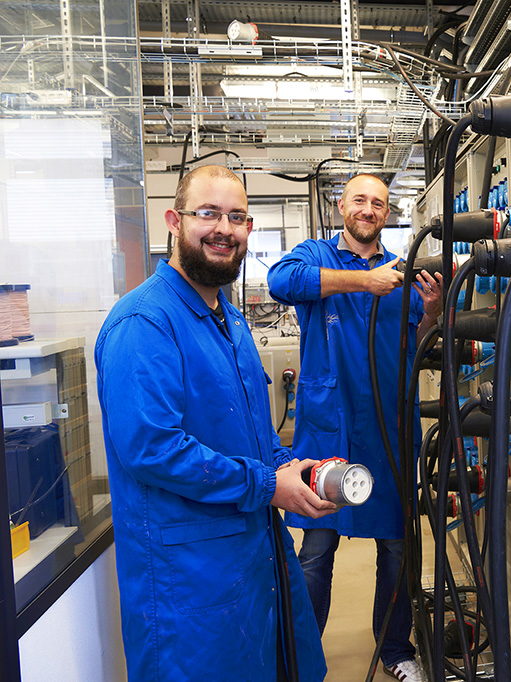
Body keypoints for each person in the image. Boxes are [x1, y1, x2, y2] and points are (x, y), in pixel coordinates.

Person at [95, 165, 335, 682]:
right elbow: (153, 448)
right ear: (174, 222)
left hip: (253, 558)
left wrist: (293, 469)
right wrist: (270, 485)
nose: (223, 228)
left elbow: (254, 434)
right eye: (207, 213)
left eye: (236, 217)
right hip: (189, 584)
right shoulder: (144, 323)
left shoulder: (230, 320)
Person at [267, 173, 442, 682]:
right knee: (317, 551)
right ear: (342, 205)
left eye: (379, 204)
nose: (369, 209)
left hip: (388, 431)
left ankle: (395, 649)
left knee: (397, 549)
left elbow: (417, 341)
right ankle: (300, 658)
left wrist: (429, 314)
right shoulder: (313, 255)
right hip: (329, 433)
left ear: (388, 214)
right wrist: (366, 280)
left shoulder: (403, 272)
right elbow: (281, 282)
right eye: (360, 200)